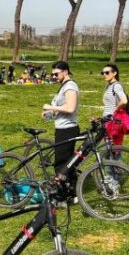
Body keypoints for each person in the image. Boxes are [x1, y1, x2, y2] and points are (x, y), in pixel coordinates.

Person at [42, 61, 79, 190]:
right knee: (68, 163)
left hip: (67, 129)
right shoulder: (63, 86)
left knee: (61, 164)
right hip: (62, 128)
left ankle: (64, 193)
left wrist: (50, 106)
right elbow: (62, 108)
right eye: (53, 74)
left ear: (65, 72)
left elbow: (70, 108)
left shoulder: (70, 86)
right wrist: (50, 113)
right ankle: (73, 190)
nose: (54, 76)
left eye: (56, 74)